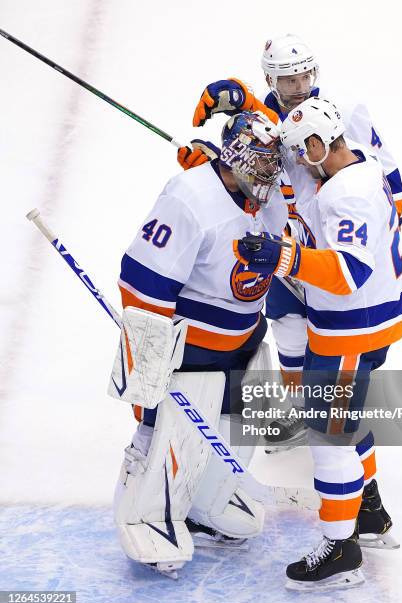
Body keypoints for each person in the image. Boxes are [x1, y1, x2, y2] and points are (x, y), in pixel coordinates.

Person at [179, 34, 402, 459]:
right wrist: (212, 168)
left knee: (336, 373)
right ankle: (302, 415)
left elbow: (390, 180)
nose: (299, 86)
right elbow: (247, 174)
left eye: (305, 76)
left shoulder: (338, 115)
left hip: (330, 253)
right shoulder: (259, 122)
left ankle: (334, 440)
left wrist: (383, 231)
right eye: (289, 80)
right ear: (271, 79)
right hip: (284, 245)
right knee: (288, 331)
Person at [233, 97, 402, 590]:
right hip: (365, 320)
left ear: (318, 144)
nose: (291, 164)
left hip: (351, 325)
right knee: (343, 423)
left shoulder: (346, 195)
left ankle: (341, 551)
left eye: (297, 152)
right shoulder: (351, 161)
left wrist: (283, 257)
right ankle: (368, 516)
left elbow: (349, 273)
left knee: (329, 435)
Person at [112, 110, 287, 576]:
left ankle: (208, 500)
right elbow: (142, 283)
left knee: (242, 422)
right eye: (264, 163)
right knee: (169, 431)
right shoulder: (190, 197)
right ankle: (147, 515)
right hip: (192, 350)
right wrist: (148, 370)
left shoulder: (266, 198)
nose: (273, 174)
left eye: (276, 163)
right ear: (235, 157)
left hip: (246, 339)